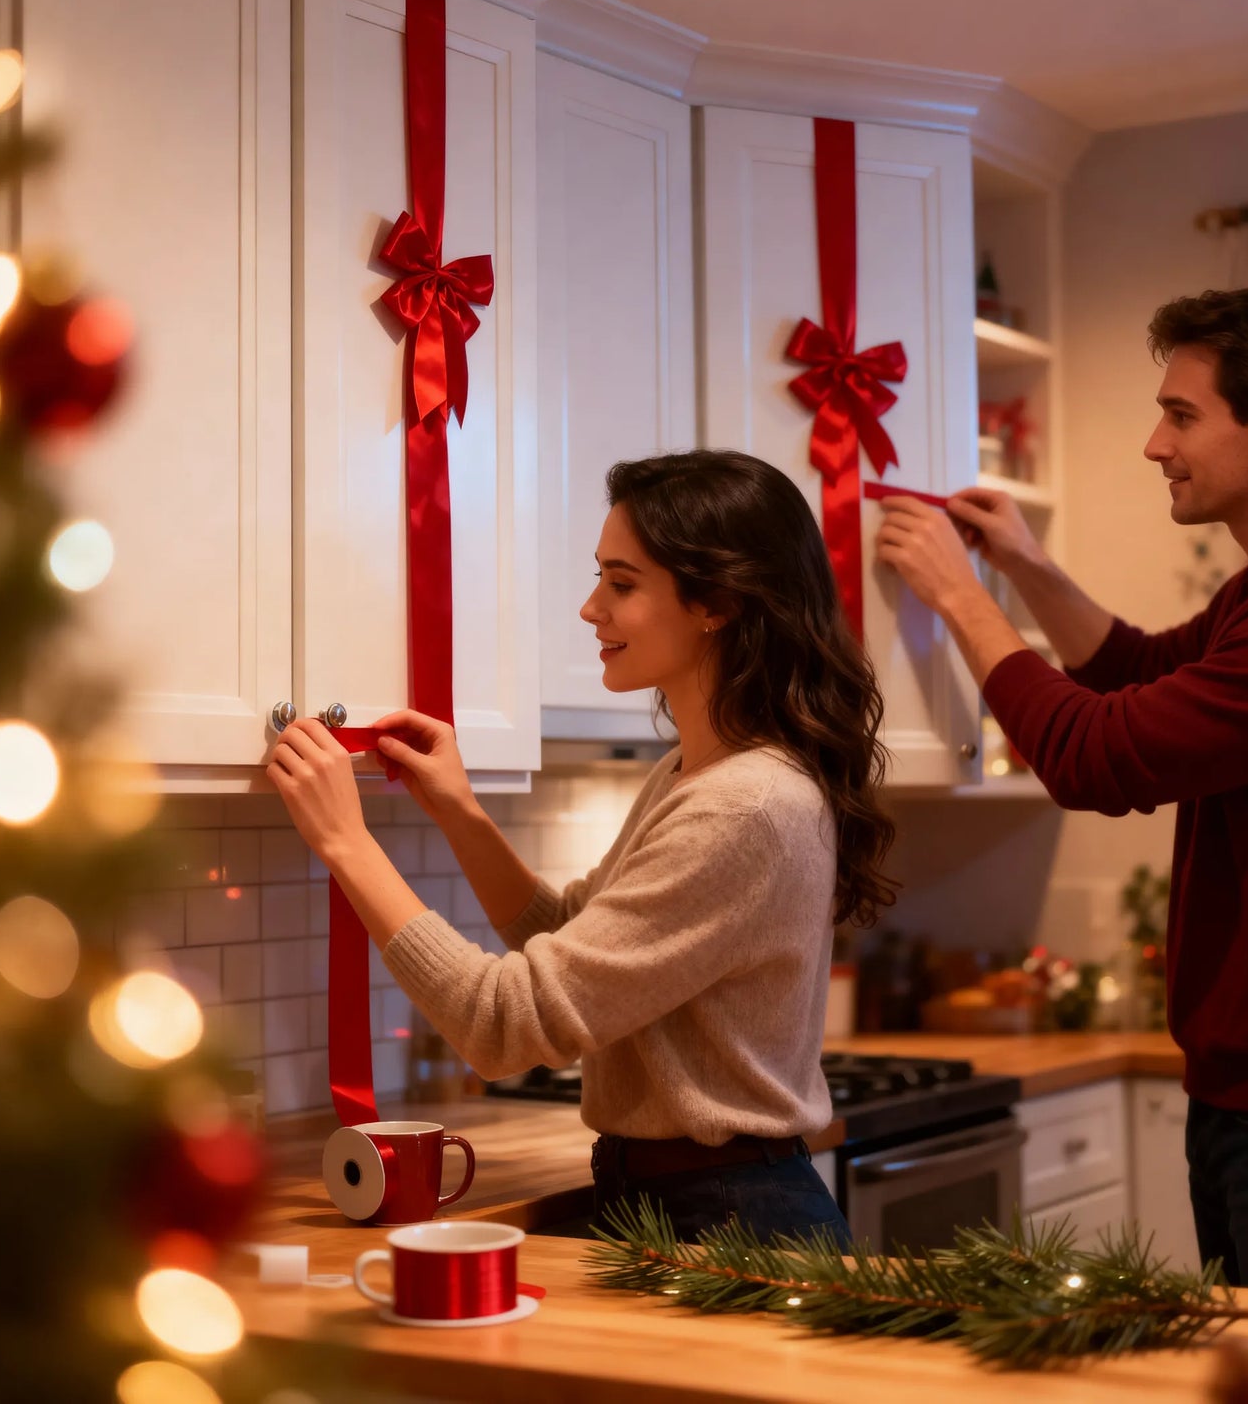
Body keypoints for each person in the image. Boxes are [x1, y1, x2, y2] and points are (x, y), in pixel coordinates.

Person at [875, 284, 1248, 1300]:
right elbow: (1134, 670)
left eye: (1180, 414)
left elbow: (1094, 756)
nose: (1154, 442)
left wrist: (960, 596)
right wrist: (1025, 564)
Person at [266, 449, 898, 1245]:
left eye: (621, 583)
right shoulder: (697, 774)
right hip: (689, 1201)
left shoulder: (747, 806)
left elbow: (504, 1023)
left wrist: (345, 841)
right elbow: (568, 931)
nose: (590, 608)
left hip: (730, 1217)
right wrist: (459, 809)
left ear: (718, 602)